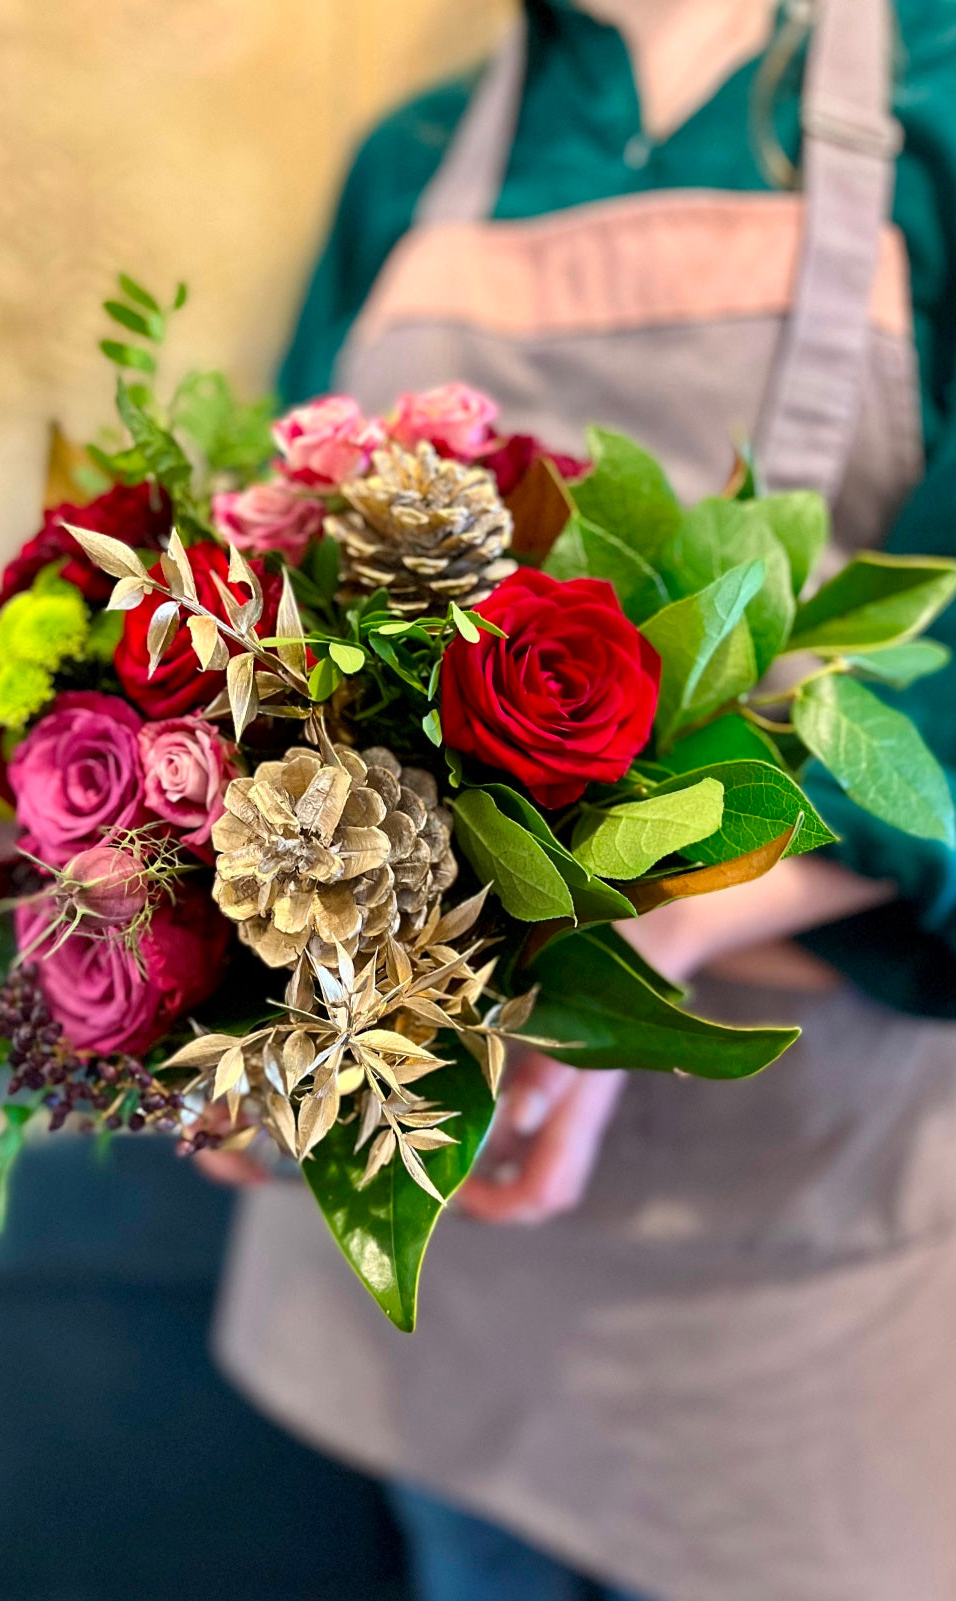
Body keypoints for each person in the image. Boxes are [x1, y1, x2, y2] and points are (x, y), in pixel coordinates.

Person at [202, 3, 956, 1597]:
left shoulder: (943, 98)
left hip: (806, 1247)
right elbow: (259, 607)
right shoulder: (412, 163)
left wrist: (629, 953)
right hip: (439, 1230)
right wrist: (228, 976)